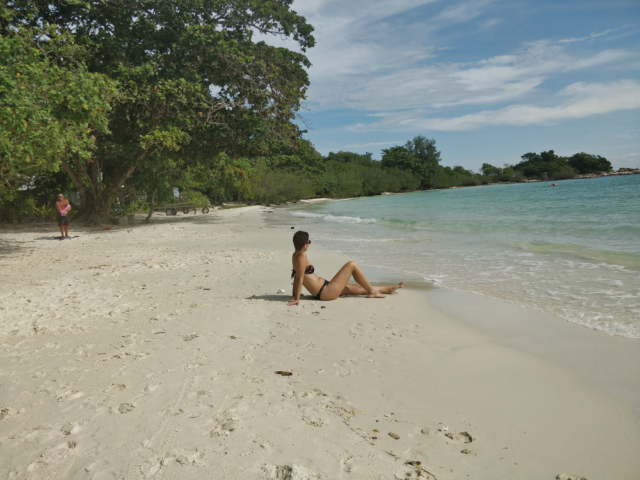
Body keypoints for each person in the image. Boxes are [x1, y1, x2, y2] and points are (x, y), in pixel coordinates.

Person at [287, 231, 404, 306]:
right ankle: (372, 292)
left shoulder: (295, 255)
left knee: (358, 287)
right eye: (309, 242)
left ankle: (389, 289)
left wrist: (294, 294)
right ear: (304, 245)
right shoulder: (302, 255)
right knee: (351, 265)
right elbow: (299, 278)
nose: (309, 244)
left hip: (325, 288)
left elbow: (296, 274)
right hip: (325, 292)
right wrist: (297, 298)